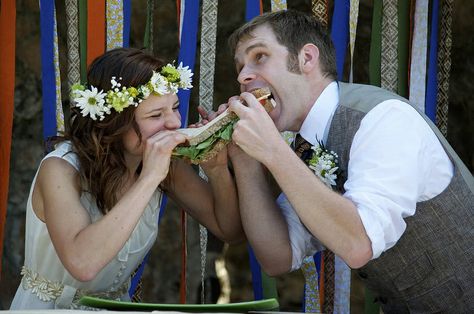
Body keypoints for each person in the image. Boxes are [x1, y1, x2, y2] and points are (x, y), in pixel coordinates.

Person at [224, 9, 474, 313]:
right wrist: (246, 160)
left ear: (307, 58)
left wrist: (273, 152)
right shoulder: (305, 145)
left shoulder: (383, 119)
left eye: (259, 56)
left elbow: (358, 245)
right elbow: (277, 256)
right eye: (240, 67)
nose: (242, 76)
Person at [10, 47, 243, 310]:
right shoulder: (59, 169)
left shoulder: (164, 165)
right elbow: (82, 264)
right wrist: (150, 179)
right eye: (156, 115)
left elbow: (230, 230)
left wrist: (217, 168)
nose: (174, 124)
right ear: (115, 122)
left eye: (175, 108)